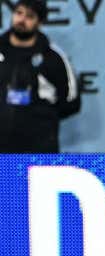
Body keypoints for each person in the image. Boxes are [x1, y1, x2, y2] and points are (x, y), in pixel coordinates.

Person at [0, 0, 81, 153]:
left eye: (30, 16)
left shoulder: (54, 58)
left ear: (40, 23)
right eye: (19, 13)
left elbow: (72, 102)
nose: (22, 20)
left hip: (39, 151)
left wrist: (39, 118)